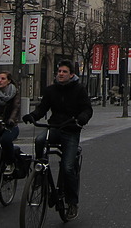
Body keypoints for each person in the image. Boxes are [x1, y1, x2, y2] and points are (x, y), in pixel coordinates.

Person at [23, 60, 93, 220]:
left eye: (64, 72)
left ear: (71, 75)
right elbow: (43, 107)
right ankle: (40, 173)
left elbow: (87, 109)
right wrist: (33, 115)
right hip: (54, 128)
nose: (61, 74)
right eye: (59, 71)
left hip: (70, 130)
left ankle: (72, 202)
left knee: (68, 168)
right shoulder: (51, 90)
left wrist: (82, 118)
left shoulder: (79, 89)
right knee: (40, 140)